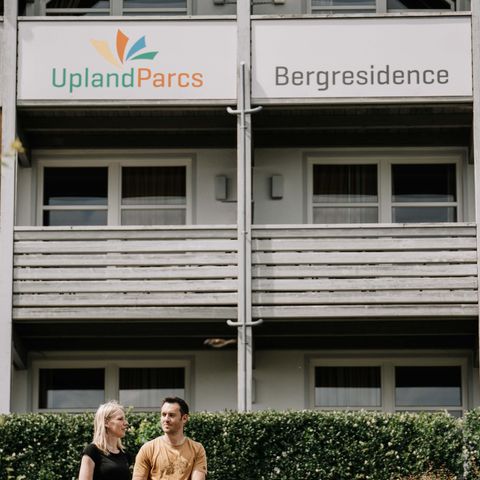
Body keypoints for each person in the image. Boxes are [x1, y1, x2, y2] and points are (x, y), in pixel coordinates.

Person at [132, 397, 207, 480]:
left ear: (184, 418)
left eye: (171, 415)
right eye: (164, 415)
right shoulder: (148, 449)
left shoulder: (197, 449)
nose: (166, 419)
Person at [78, 400, 132, 480]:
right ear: (106, 422)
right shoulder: (92, 451)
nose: (126, 423)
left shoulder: (126, 455)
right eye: (120, 419)